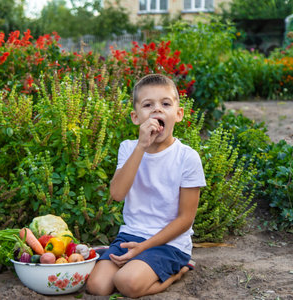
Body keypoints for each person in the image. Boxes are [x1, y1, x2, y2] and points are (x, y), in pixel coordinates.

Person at [86, 73, 206, 298]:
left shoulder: (187, 158)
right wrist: (141, 146)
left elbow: (185, 219)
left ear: (178, 114)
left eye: (165, 104)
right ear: (135, 117)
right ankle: (136, 264)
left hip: (169, 243)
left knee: (126, 283)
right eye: (148, 104)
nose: (157, 110)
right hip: (131, 235)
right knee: (97, 287)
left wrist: (143, 248)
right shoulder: (128, 148)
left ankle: (178, 271)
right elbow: (117, 194)